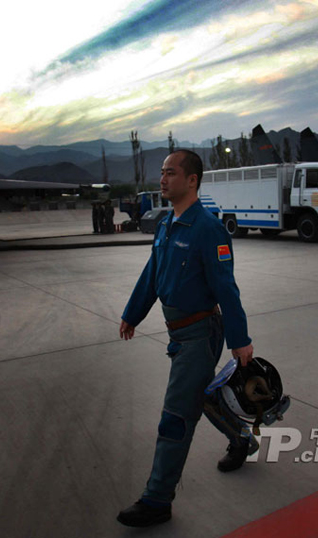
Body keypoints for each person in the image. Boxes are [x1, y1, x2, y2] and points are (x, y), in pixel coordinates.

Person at [117, 149, 255, 528]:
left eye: (171, 173)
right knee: (202, 401)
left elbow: (227, 288)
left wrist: (239, 339)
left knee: (175, 416)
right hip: (179, 334)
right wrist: (133, 313)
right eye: (161, 173)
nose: (162, 179)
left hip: (199, 335)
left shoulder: (208, 228)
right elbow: (152, 274)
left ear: (192, 181)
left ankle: (157, 499)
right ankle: (242, 438)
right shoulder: (167, 224)